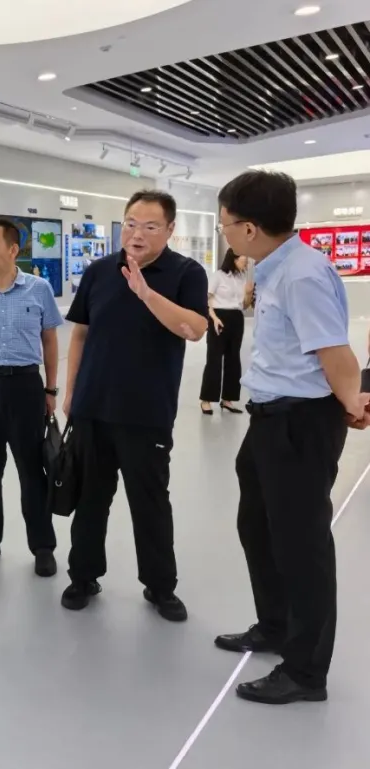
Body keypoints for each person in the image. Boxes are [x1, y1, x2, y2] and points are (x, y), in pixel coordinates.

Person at [212, 170, 369, 705]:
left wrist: (352, 402)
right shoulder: (275, 269)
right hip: (268, 419)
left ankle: (305, 671)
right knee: (258, 527)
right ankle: (275, 625)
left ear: (250, 228)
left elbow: (335, 352)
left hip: (299, 423)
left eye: (226, 224)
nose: (224, 233)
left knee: (302, 547)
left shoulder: (301, 274)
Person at [61, 190, 208, 621]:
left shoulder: (186, 273)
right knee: (90, 499)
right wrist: (71, 392)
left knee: (150, 502)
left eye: (149, 226)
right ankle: (83, 575)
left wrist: (146, 294)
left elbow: (195, 328)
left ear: (170, 229)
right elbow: (81, 334)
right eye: (130, 224)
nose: (136, 234)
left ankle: (160, 586)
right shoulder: (99, 271)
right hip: (93, 407)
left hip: (147, 413)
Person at [0, 216, 62, 573]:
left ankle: (43, 546)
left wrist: (50, 388)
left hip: (25, 386)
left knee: (32, 471)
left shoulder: (38, 289)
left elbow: (50, 341)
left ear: (13, 249)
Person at [199, 248, 253, 414]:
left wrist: (248, 294)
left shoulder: (242, 278)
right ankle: (206, 400)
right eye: (244, 261)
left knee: (233, 359)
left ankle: (228, 399)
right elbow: (206, 300)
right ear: (234, 259)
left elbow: (244, 305)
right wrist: (214, 318)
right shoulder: (218, 276)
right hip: (218, 317)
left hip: (236, 318)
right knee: (214, 359)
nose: (246, 264)